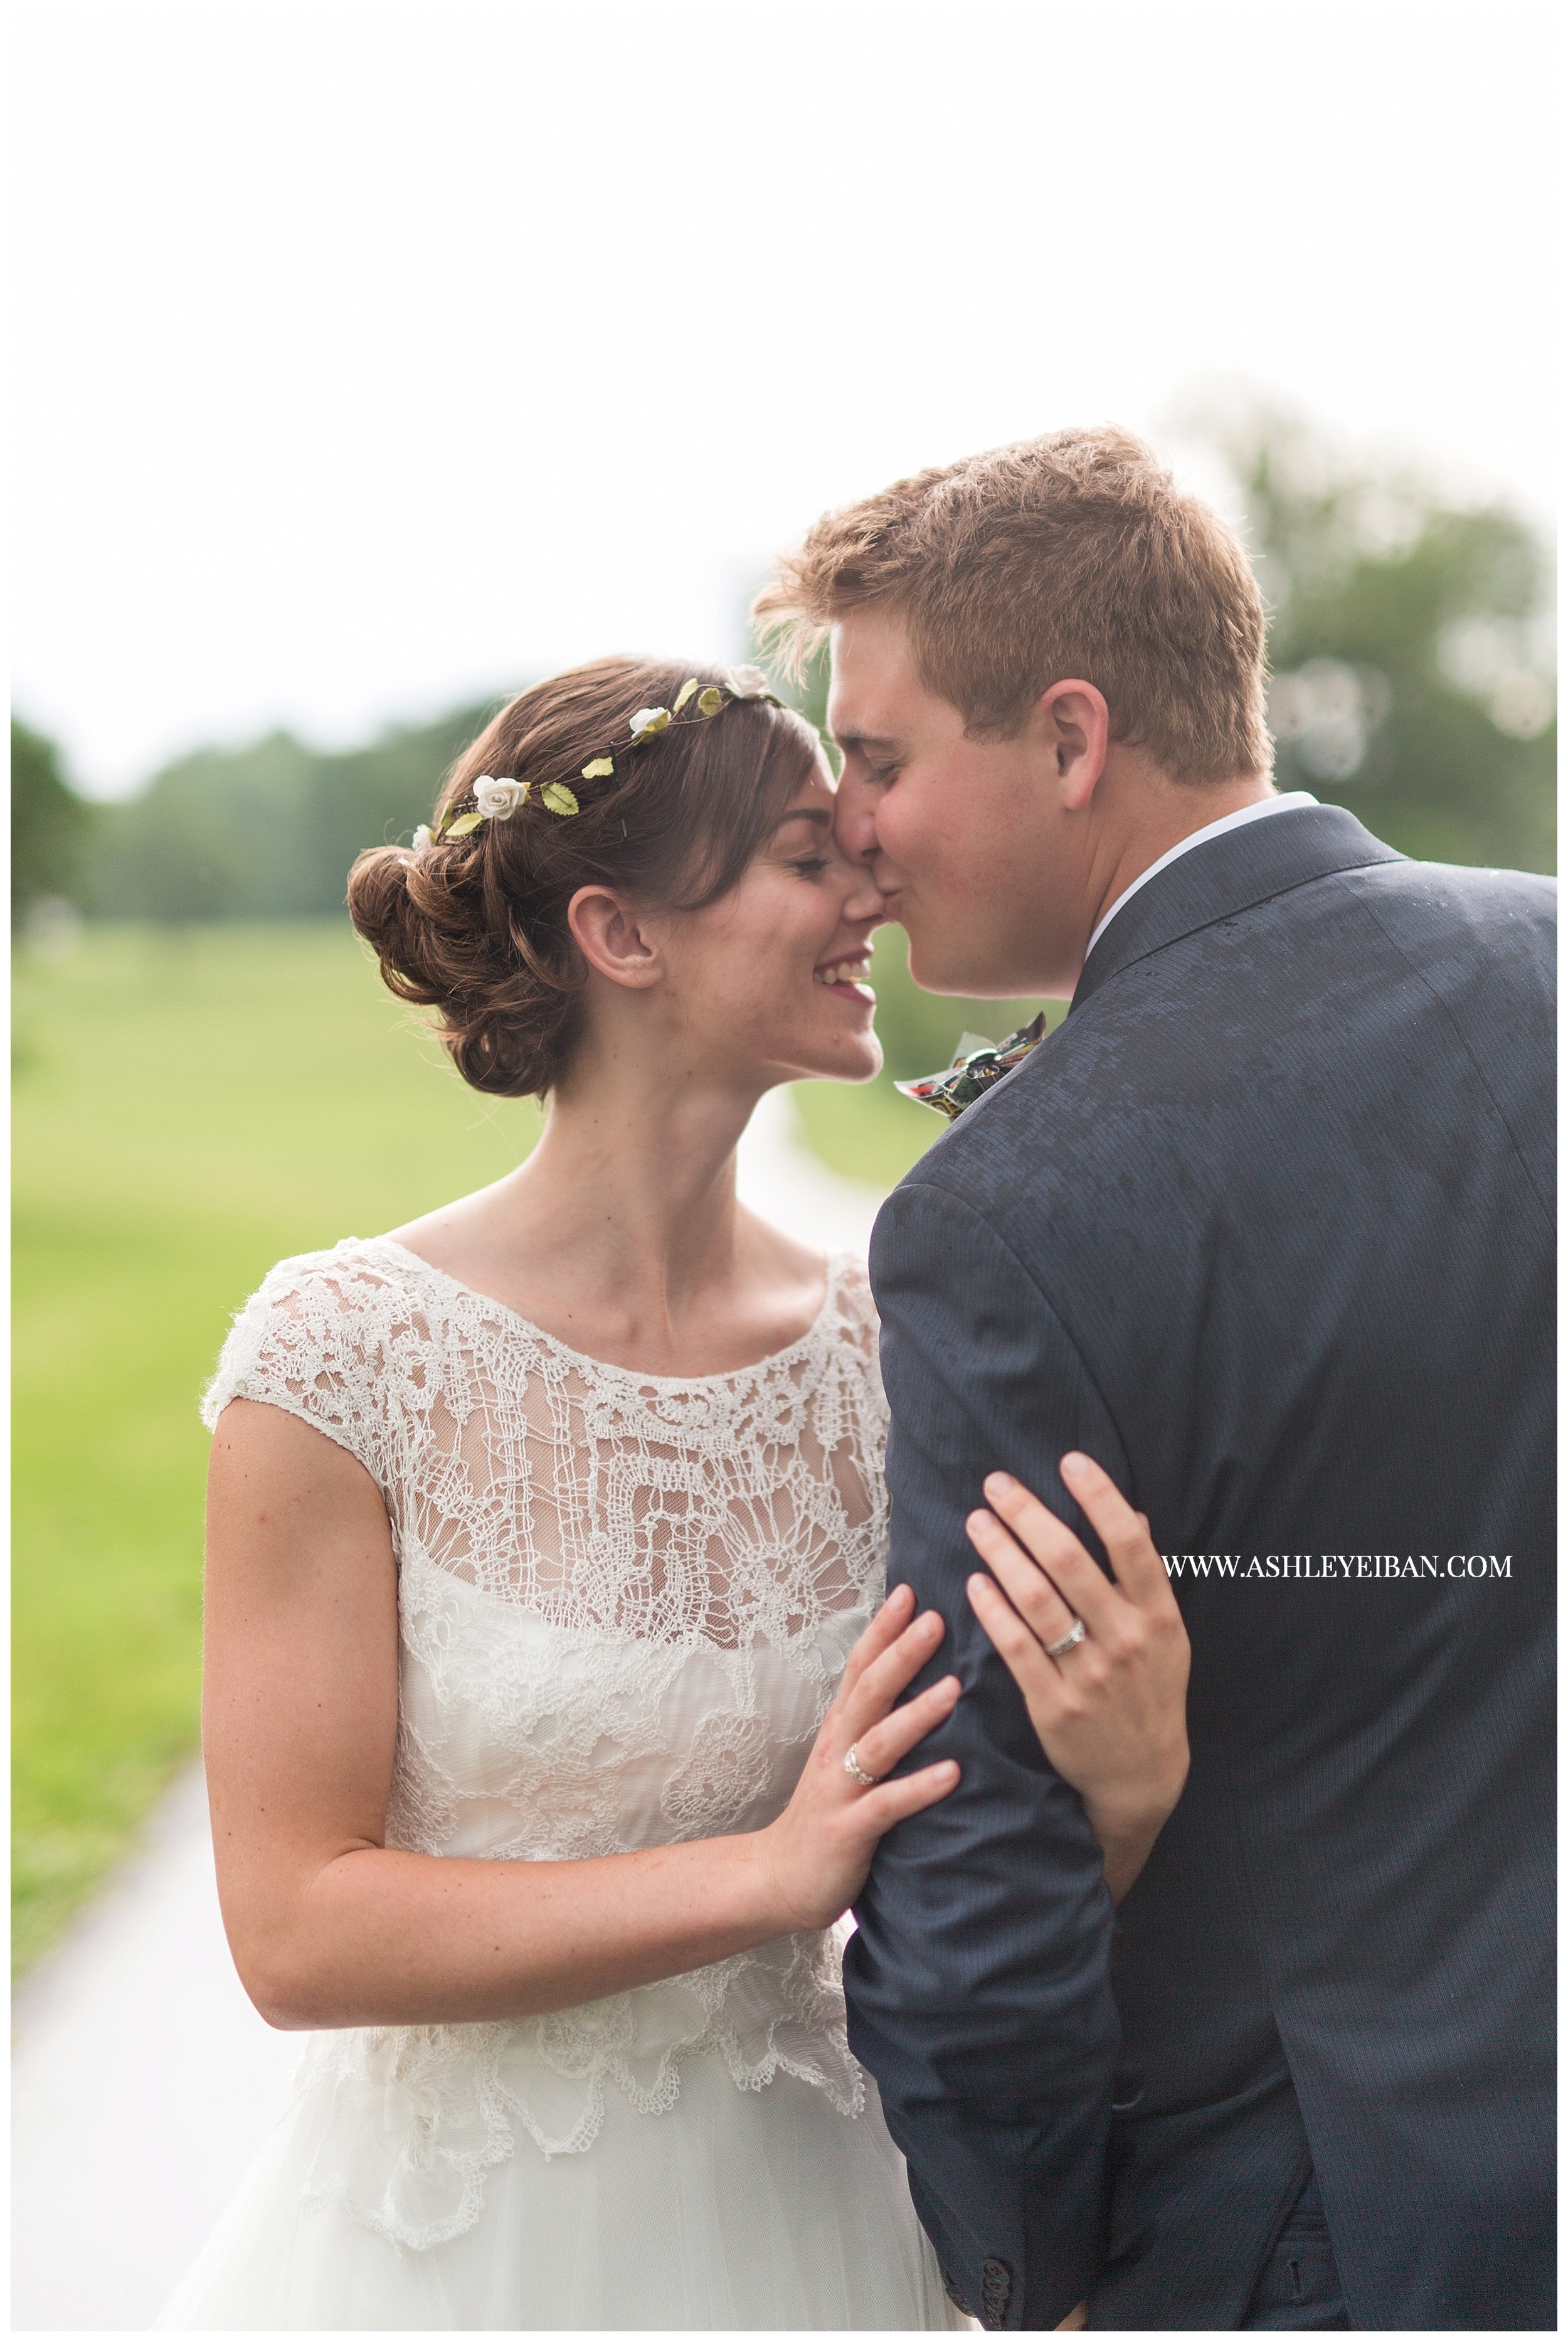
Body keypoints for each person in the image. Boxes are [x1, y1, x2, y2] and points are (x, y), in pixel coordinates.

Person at [156, 656, 1190, 2332]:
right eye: (805, 855)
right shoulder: (340, 1358)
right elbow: (295, 1929)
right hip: (454, 2260)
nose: (872, 886)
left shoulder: (890, 1340)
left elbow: (974, 1833)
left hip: (825, 2233)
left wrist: (1124, 1799)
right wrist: (765, 1880)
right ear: (620, 935)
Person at [755, 428, 1555, 2331]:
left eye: (876, 759)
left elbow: (982, 1837)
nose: (852, 823)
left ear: (1067, 737)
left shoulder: (1007, 1211)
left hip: (1312, 2217)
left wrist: (1019, 2256)